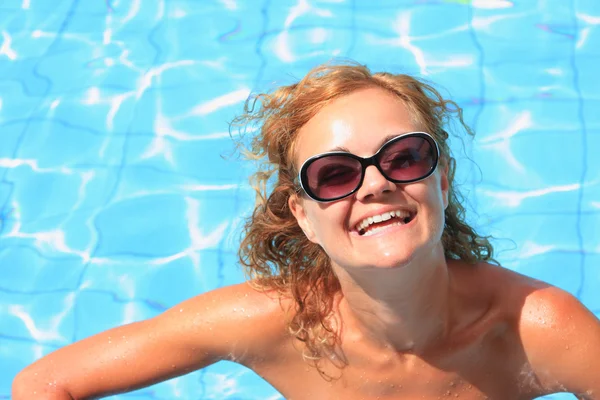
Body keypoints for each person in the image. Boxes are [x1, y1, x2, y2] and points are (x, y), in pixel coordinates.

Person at [12, 61, 600, 400]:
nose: (374, 186)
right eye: (336, 173)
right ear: (302, 216)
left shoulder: (534, 329)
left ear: (441, 180)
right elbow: (44, 384)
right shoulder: (276, 324)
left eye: (403, 158)